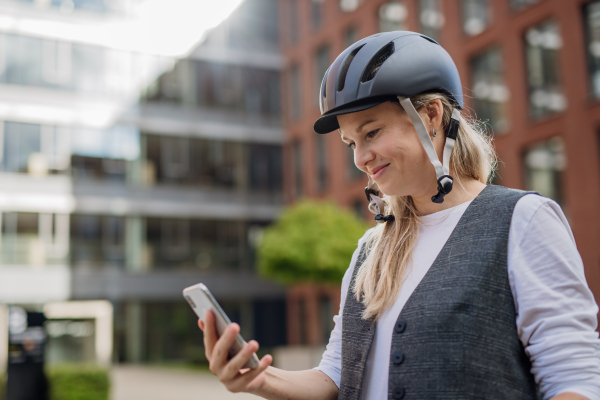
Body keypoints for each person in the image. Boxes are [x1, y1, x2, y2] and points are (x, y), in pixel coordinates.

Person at [198, 31, 600, 400]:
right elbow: (337, 376)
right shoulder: (369, 250)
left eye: (371, 133)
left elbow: (574, 378)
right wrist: (258, 379)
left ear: (431, 116)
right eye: (351, 142)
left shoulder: (522, 219)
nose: (360, 158)